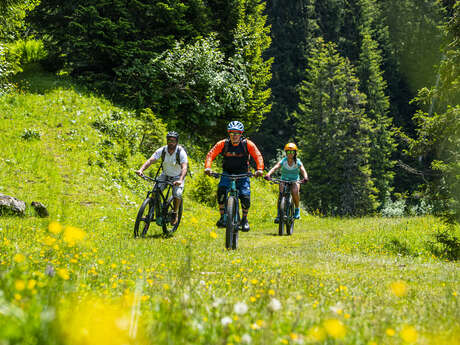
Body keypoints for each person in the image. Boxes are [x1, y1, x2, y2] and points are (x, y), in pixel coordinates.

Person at [204, 121, 264, 232]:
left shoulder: (247, 144)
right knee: (221, 191)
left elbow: (258, 156)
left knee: (245, 197)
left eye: (237, 133)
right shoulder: (223, 144)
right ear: (229, 133)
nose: (234, 135)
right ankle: (223, 217)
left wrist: (260, 169)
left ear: (241, 134)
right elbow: (211, 154)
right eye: (232, 133)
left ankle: (244, 220)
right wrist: (208, 167)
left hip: (243, 174)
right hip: (227, 173)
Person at [135, 131, 188, 225]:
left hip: (177, 176)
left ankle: (175, 213)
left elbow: (184, 167)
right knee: (154, 192)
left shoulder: (180, 152)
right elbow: (151, 160)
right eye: (169, 140)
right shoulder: (163, 150)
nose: (171, 142)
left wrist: (180, 180)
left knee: (177, 193)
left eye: (173, 140)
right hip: (165, 174)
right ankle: (151, 213)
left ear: (177, 142)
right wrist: (141, 170)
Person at [264, 143, 308, 222]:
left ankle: (297, 210)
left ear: (295, 153)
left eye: (292, 152)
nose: (290, 154)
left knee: (295, 192)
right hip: (284, 179)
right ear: (286, 153)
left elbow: (303, 170)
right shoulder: (283, 161)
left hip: (295, 180)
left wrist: (305, 177)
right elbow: (275, 167)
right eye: (288, 152)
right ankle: (278, 214)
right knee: (281, 195)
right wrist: (268, 174)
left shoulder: (297, 162)